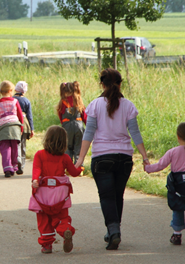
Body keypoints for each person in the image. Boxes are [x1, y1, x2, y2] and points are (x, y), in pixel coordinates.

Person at [74, 68, 149, 250]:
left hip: (102, 158)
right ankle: (113, 230)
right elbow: (135, 133)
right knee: (117, 195)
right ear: (120, 83)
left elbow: (89, 133)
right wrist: (145, 157)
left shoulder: (95, 105)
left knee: (107, 197)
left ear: (102, 84)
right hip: (124, 158)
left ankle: (113, 231)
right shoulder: (128, 105)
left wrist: (80, 159)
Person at [144, 122, 185, 249]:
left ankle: (177, 234)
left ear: (178, 136)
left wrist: (148, 168)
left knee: (178, 207)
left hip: (177, 185)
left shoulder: (173, 152)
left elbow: (160, 165)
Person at [29, 126, 83, 254]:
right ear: (64, 142)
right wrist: (80, 169)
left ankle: (47, 245)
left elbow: (36, 169)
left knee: (44, 219)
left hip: (43, 194)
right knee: (62, 217)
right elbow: (74, 173)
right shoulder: (65, 158)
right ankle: (65, 231)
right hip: (60, 194)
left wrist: (35, 180)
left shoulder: (39, 155)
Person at [0, 80, 25, 178]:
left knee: (5, 148)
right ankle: (14, 165)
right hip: (15, 126)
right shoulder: (15, 101)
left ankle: (8, 168)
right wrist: (21, 127)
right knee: (14, 147)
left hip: (3, 127)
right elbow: (20, 116)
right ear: (11, 90)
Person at [58, 81, 87, 165]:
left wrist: (64, 125)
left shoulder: (62, 102)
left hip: (67, 127)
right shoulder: (78, 100)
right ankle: (79, 167)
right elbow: (84, 116)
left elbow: (61, 116)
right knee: (78, 147)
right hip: (79, 126)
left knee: (67, 147)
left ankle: (69, 166)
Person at [13, 81, 34, 175]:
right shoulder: (26, 101)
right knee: (23, 145)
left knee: (15, 145)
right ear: (24, 91)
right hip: (24, 124)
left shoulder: (11, 99)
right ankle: (21, 165)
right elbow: (29, 116)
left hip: (13, 123)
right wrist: (32, 129)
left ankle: (15, 162)